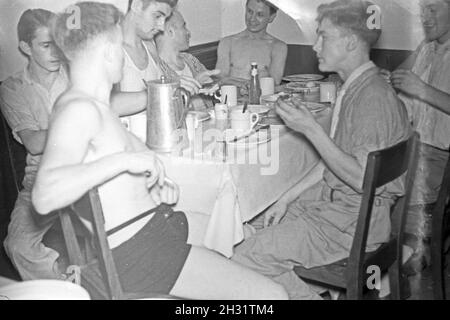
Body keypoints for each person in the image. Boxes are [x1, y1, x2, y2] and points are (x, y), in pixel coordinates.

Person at [32, 1, 287, 300]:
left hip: (155, 226)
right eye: (118, 42)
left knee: (240, 233)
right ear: (106, 50)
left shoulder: (97, 107)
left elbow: (110, 184)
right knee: (274, 296)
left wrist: (154, 187)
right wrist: (124, 160)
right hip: (141, 251)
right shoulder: (78, 109)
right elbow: (45, 194)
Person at [232, 0, 411, 299]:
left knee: (242, 257)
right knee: (246, 228)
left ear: (351, 42)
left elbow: (361, 178)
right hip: (337, 210)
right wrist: (286, 199)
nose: (315, 46)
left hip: (349, 225)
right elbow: (333, 161)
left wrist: (311, 128)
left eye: (323, 36)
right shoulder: (357, 86)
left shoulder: (372, 98)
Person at [0, 8, 153, 281]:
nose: (55, 53)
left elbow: (109, 105)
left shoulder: (74, 74)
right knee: (18, 245)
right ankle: (60, 290)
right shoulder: (12, 89)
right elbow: (34, 142)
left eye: (57, 45)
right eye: (45, 46)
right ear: (25, 47)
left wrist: (153, 94)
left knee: (122, 229)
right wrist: (79, 125)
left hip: (91, 170)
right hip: (40, 178)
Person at [380, 0, 450, 268]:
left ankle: (394, 254)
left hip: (438, 159)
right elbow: (405, 88)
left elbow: (420, 90)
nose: (425, 18)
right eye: (423, 10)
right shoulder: (426, 47)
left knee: (371, 186)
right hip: (412, 147)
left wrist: (421, 89)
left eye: (433, 9)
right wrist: (392, 82)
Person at [155, 10, 220, 110]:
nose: (188, 32)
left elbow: (213, 97)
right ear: (170, 31)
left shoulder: (189, 59)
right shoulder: (157, 69)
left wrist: (209, 86)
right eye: (183, 26)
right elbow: (164, 110)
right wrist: (193, 85)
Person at [215, 0, 287, 89]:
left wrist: (241, 84)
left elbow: (274, 83)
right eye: (250, 11)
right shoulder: (227, 43)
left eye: (260, 15)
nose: (252, 19)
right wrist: (242, 85)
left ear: (271, 17)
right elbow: (220, 79)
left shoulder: (278, 47)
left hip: (261, 101)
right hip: (230, 99)